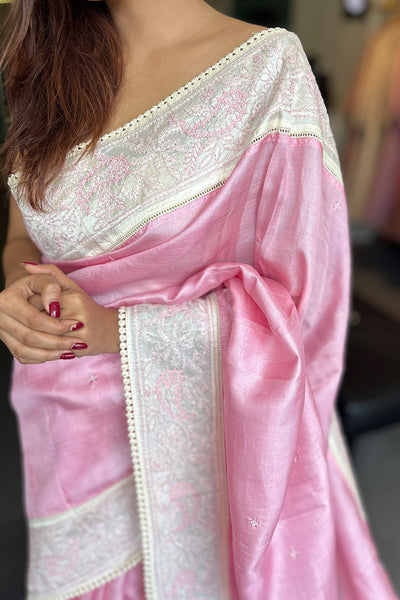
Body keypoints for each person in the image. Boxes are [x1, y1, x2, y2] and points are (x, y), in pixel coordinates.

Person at [0, 0, 397, 598]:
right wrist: (17, 284)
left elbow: (299, 312)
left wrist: (116, 331)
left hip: (204, 454)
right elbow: (23, 235)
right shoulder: (45, 62)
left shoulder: (267, 72)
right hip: (65, 431)